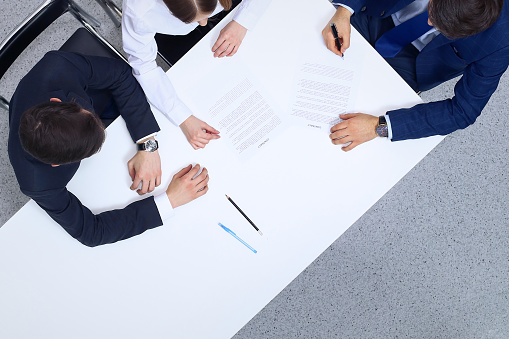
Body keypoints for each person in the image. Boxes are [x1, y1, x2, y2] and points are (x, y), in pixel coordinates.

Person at [8, 51, 209, 247]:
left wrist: (147, 144)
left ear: (57, 102)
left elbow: (120, 75)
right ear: (56, 164)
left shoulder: (57, 66)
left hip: (106, 101)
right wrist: (170, 200)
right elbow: (91, 233)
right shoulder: (37, 183)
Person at [322, 0, 509, 151]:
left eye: (439, 26)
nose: (429, 22)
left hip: (416, 63)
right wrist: (344, 9)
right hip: (376, 8)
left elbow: (463, 112)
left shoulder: (502, 41)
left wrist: (378, 126)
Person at [122, 0, 270, 150]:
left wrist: (243, 21)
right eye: (196, 19)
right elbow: (144, 66)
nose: (203, 23)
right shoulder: (139, 11)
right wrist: (182, 116)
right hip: (174, 39)